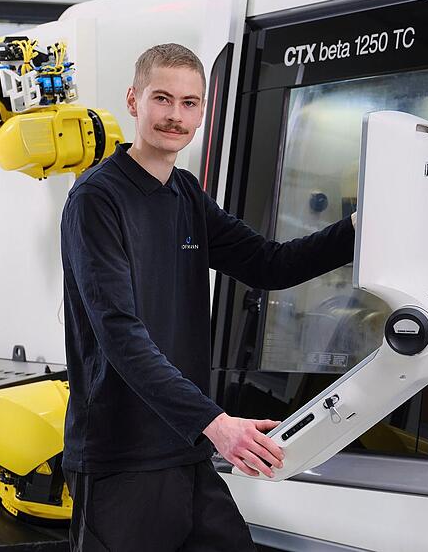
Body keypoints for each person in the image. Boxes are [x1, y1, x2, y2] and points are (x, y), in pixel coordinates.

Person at [60, 43, 356, 551]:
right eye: (163, 99)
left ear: (203, 111)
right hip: (121, 460)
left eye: (190, 103)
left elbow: (269, 263)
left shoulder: (187, 195)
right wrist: (216, 425)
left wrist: (361, 228)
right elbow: (120, 334)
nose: (176, 116)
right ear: (134, 100)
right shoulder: (96, 199)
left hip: (186, 451)